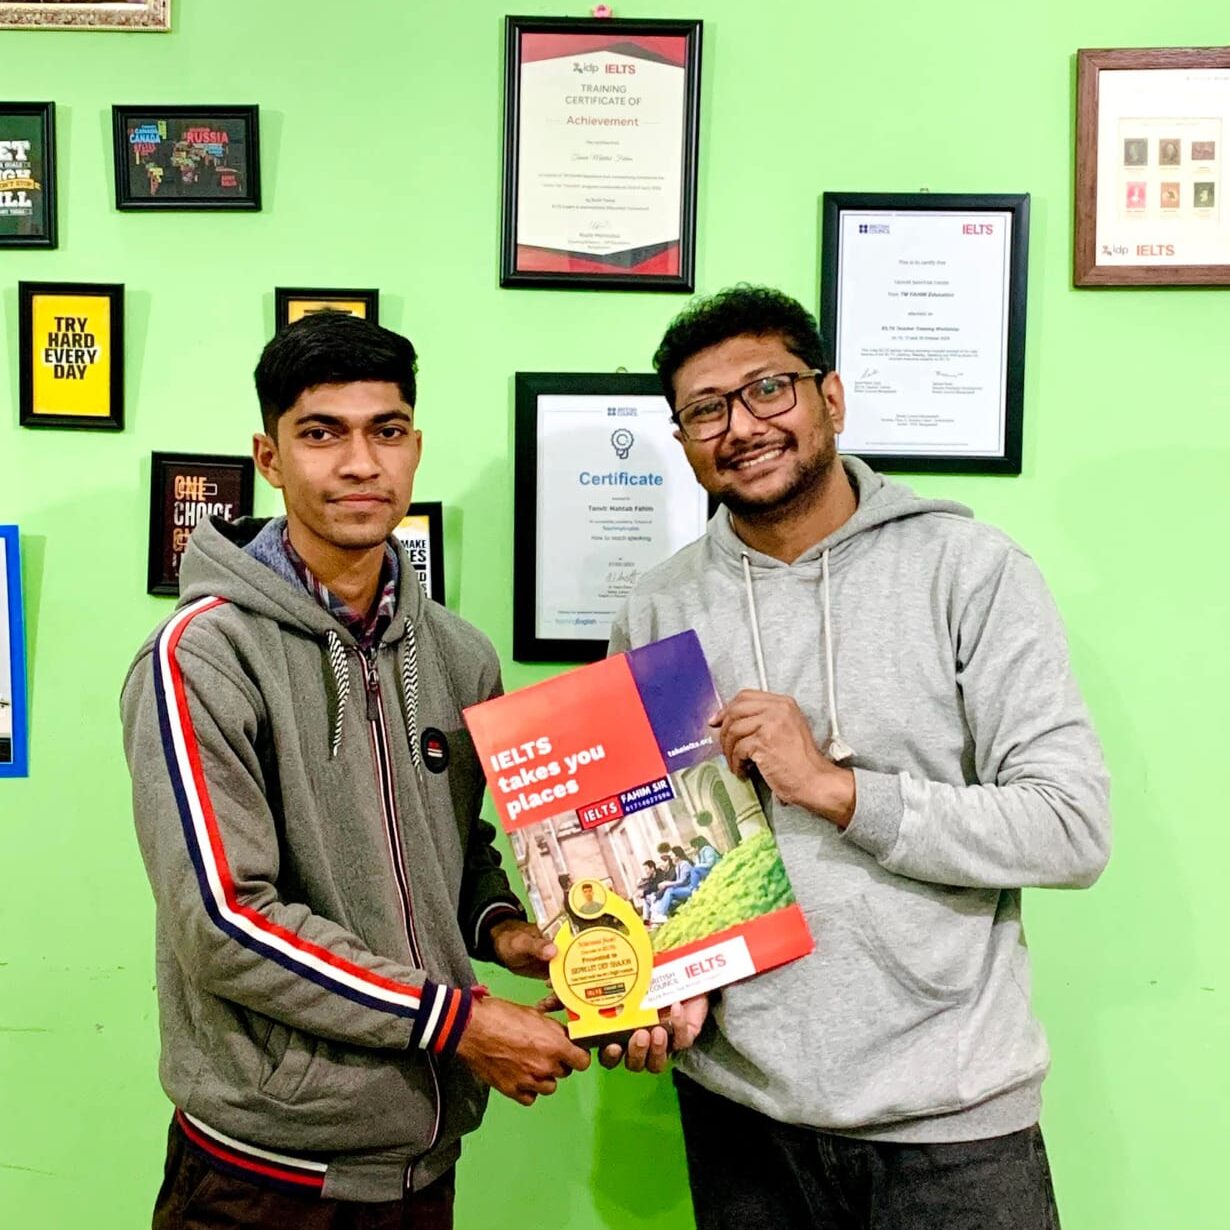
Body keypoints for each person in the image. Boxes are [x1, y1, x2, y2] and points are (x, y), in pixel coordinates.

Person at [607, 286, 1111, 1228]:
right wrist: (662, 980)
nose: (742, 427)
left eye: (769, 389)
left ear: (830, 398)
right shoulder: (658, 607)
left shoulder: (969, 570)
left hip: (952, 1122)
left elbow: (1070, 828)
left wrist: (837, 790)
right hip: (740, 1115)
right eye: (706, 410)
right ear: (682, 440)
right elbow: (653, 845)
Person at [121, 312, 589, 1230]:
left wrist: (503, 930)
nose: (361, 463)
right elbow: (223, 921)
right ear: (269, 457)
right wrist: (460, 1024)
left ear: (416, 447)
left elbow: (454, 848)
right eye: (322, 433)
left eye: (387, 430)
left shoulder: (459, 654)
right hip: (264, 1179)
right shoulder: (200, 657)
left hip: (424, 1167)